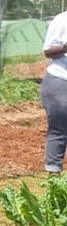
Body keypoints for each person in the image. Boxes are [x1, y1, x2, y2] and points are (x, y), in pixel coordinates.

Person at [41, 12, 67, 173]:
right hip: (61, 81)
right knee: (59, 129)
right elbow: (48, 51)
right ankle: (54, 176)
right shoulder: (62, 19)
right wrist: (65, 47)